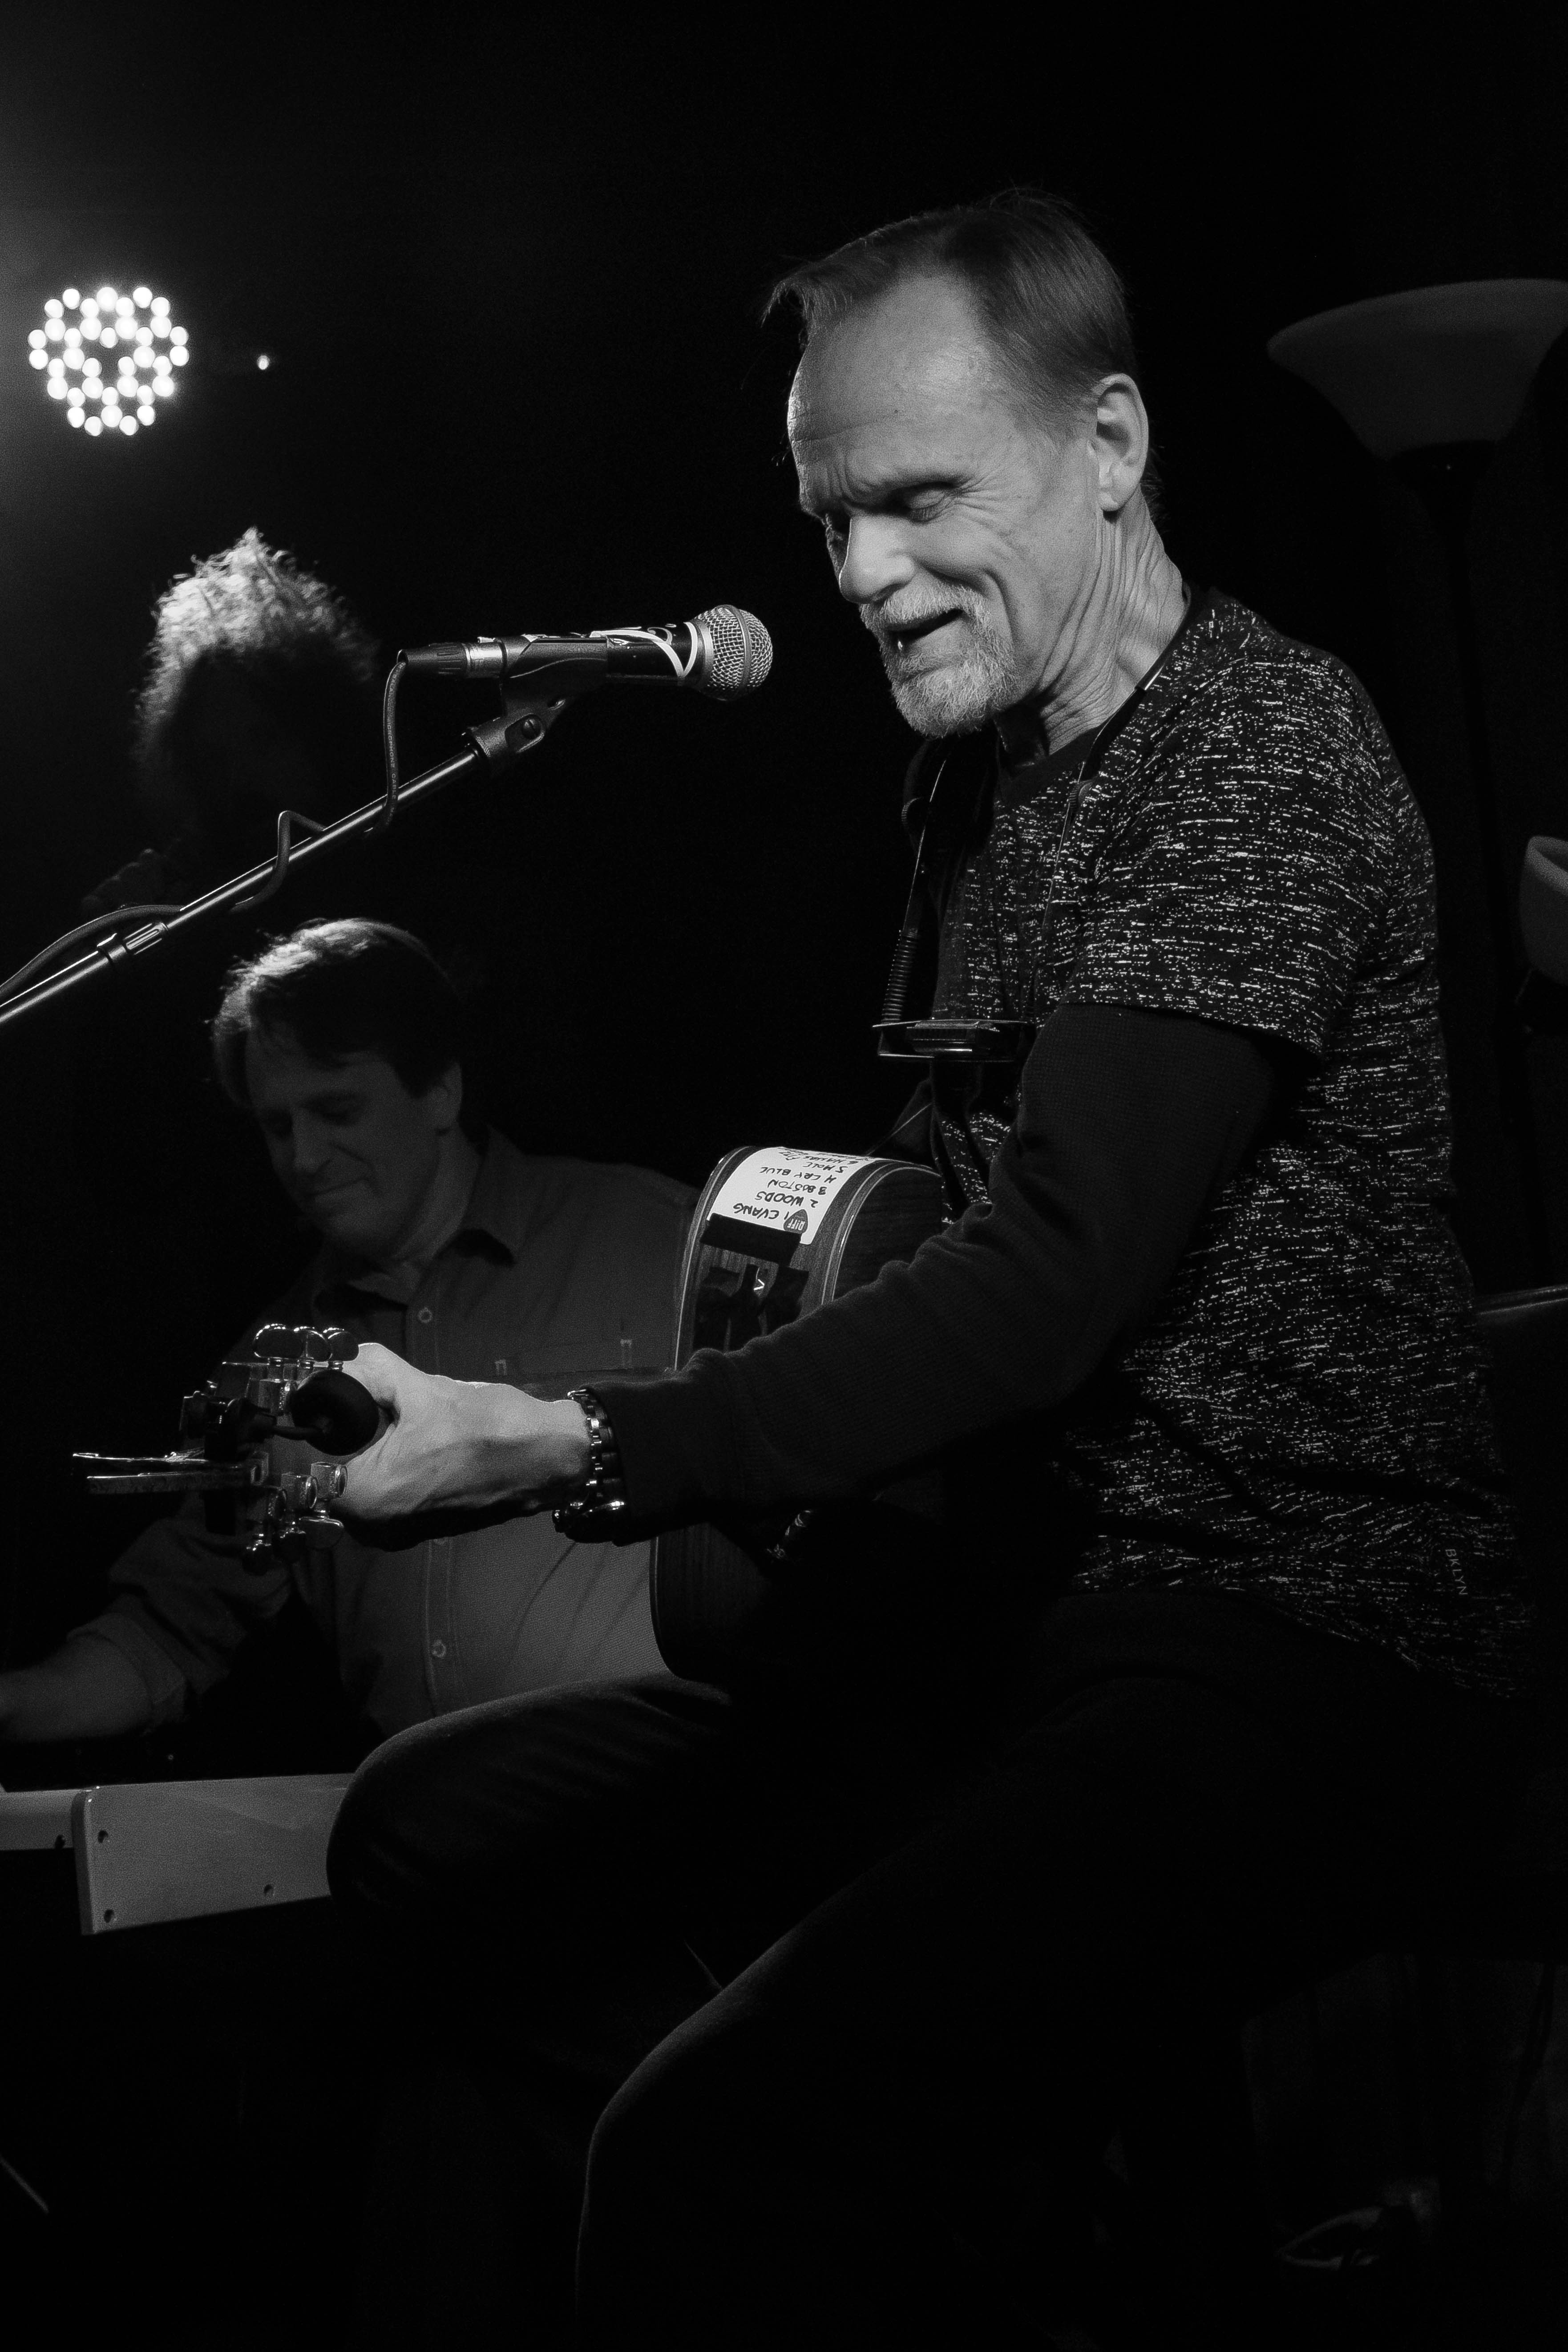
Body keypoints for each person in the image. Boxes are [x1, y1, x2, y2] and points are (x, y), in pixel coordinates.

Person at [323, 195, 1531, 2345]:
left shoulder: (1249, 752)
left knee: (712, 2149)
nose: (863, 573)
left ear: (1108, 446)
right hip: (1023, 1610)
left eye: (916, 500)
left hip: (1282, 1629)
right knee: (430, 1837)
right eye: (827, 516)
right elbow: (950, 1172)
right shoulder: (968, 783)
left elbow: (1054, 1264)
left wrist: (585, 1435)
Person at [0, 917, 691, 1750]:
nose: (304, 1158)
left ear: (440, 1091)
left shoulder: (661, 1240)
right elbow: (172, 1629)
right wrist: (14, 1703)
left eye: (337, 1110)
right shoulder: (272, 1364)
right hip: (431, 1823)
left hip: (671, 1796)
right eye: (277, 1125)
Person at [82, 527, 382, 919]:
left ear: (321, 728)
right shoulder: (214, 900)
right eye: (216, 760)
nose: (239, 779)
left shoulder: (409, 850)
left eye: (264, 742)